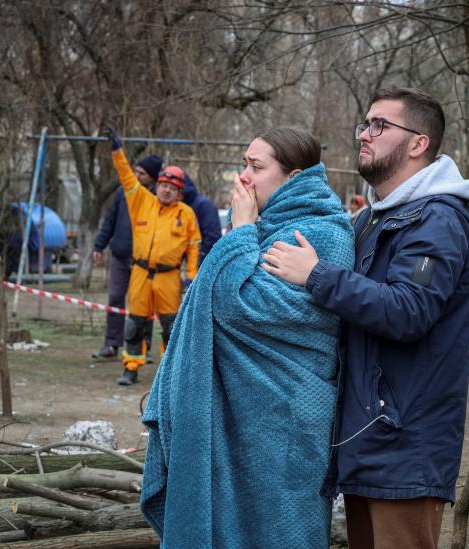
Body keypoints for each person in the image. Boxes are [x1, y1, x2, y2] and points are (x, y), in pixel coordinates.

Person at [260, 87, 469, 548]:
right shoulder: (373, 218)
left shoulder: (437, 220)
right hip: (366, 439)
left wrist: (317, 275)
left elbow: (409, 311)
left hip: (406, 445)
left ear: (419, 143)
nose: (364, 134)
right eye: (365, 124)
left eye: (380, 125)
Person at [140, 127, 354, 547]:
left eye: (256, 167)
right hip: (235, 414)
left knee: (282, 531)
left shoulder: (324, 233)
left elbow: (239, 305)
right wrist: (244, 232)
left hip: (287, 422)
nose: (244, 177)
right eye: (244, 164)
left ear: (294, 178)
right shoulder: (264, 226)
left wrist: (239, 230)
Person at [106, 130, 201, 386]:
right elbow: (126, 176)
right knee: (134, 324)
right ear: (157, 185)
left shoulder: (186, 214)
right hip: (140, 273)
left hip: (169, 277)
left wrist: (191, 275)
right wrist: (117, 152)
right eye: (164, 186)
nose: (167, 191)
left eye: (173, 188)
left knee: (171, 326)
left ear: (179, 193)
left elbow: (194, 247)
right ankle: (131, 368)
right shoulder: (141, 201)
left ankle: (171, 373)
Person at [91, 154, 162, 359]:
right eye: (136, 172)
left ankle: (143, 346)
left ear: (153, 177)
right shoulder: (123, 192)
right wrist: (99, 245)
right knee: (115, 297)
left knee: (144, 303)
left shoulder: (158, 198)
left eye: (142, 174)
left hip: (145, 261)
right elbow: (110, 221)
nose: (137, 176)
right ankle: (111, 344)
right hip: (120, 255)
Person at [182, 172, 222, 264]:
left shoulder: (203, 205)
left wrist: (201, 260)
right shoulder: (183, 206)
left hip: (203, 260)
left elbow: (212, 236)